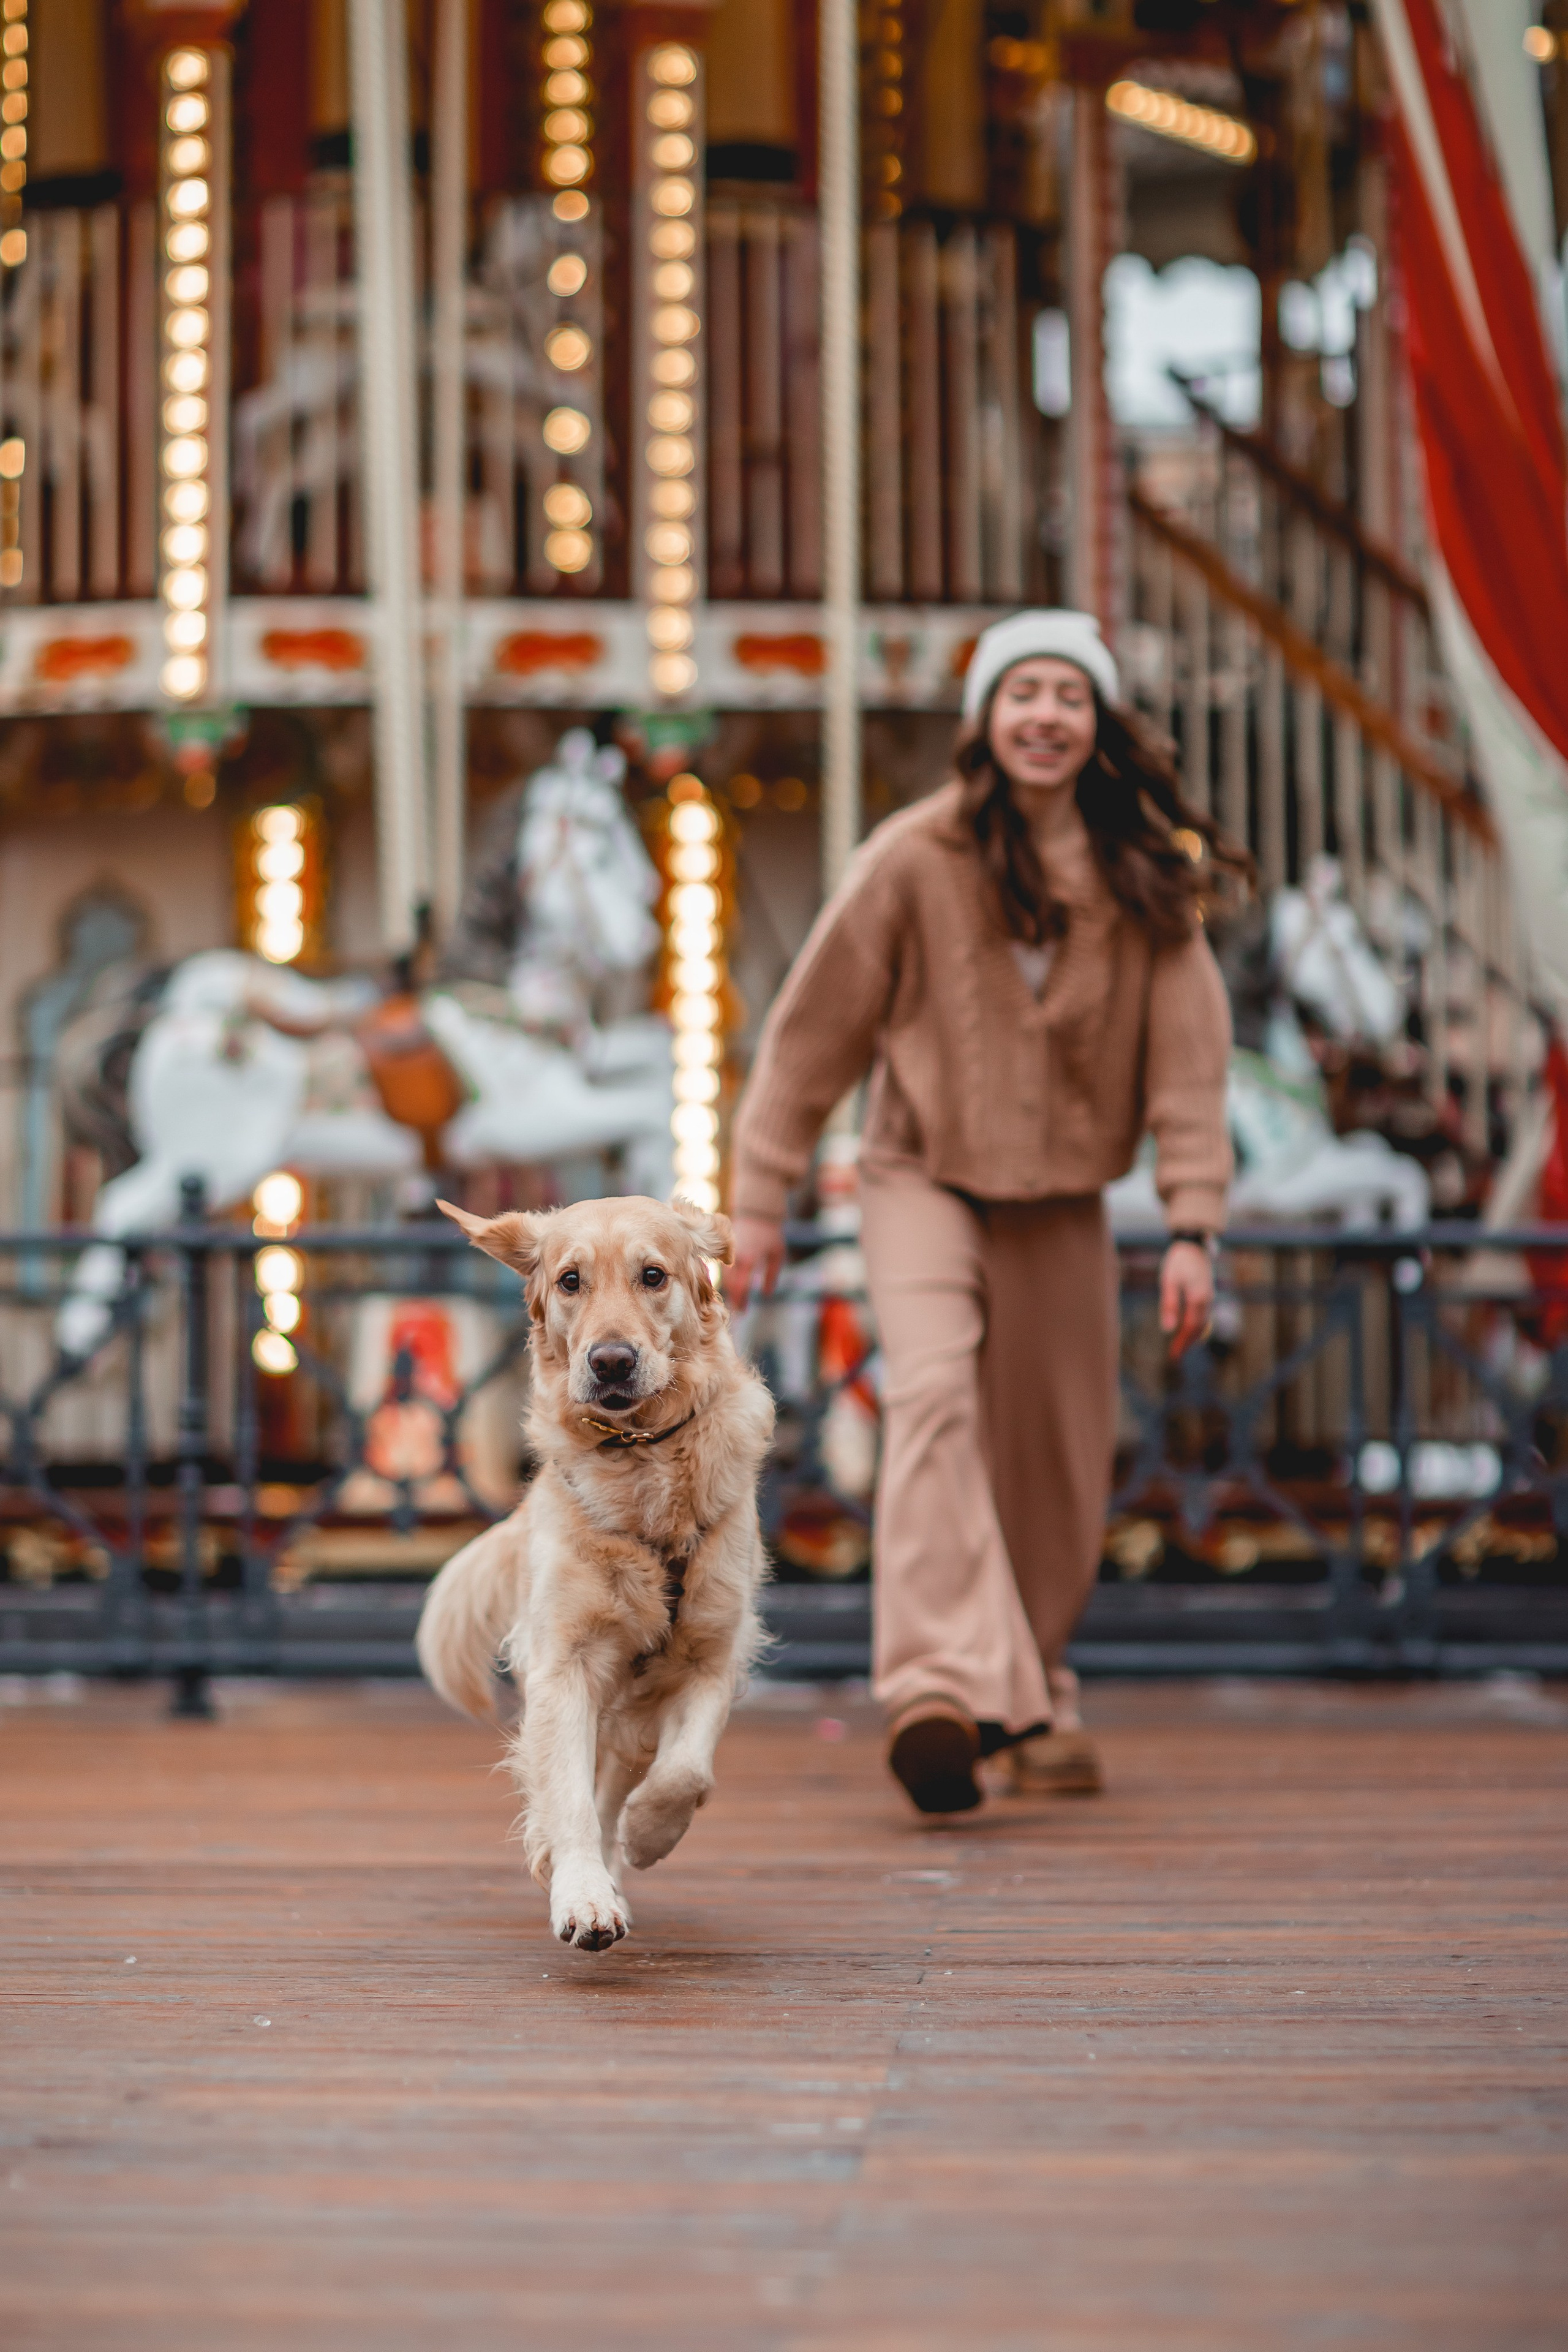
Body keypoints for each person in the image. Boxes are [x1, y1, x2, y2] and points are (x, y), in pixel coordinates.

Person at [726, 610, 1245, 1815]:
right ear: (985, 722)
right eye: (1023, 694)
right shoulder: (911, 858)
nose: (1044, 716)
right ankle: (934, 1692)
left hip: (1063, 1200)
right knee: (934, 1396)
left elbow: (1188, 1066)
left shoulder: (1144, 876)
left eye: (1069, 695)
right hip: (919, 1178)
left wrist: (1190, 1224)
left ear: (1097, 724)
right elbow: (812, 1037)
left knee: (1058, 1461)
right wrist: (758, 1195)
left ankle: (1035, 1694)